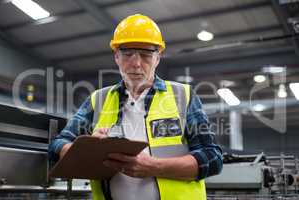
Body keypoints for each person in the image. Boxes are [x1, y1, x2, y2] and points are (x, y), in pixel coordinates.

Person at [49, 14, 223, 200]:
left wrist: (154, 167)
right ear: (116, 56)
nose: (136, 63)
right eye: (127, 54)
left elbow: (212, 158)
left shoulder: (182, 96)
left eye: (146, 54)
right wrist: (89, 147)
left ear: (158, 57)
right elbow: (57, 145)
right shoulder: (98, 100)